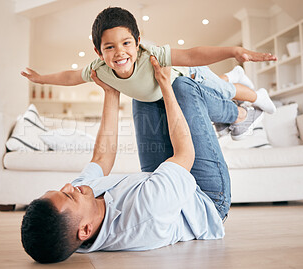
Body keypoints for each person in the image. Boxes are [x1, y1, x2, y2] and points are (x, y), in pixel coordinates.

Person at [21, 56, 262, 263]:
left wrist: (111, 92)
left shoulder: (81, 205)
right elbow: (184, 155)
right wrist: (166, 87)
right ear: (85, 230)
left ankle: (221, 95)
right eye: (67, 195)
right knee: (182, 88)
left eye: (60, 190)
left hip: (159, 180)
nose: (68, 186)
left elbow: (102, 157)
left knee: (143, 92)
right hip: (205, 196)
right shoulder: (144, 215)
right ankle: (240, 115)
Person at [21, 7, 276, 139]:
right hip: (178, 85)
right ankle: (235, 75)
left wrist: (233, 50)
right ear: (99, 52)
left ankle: (257, 97)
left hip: (191, 76)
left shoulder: (150, 53)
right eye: (109, 47)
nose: (119, 53)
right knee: (221, 88)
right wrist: (41, 78)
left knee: (224, 91)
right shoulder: (100, 69)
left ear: (137, 41)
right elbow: (70, 77)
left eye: (126, 43)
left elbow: (189, 55)